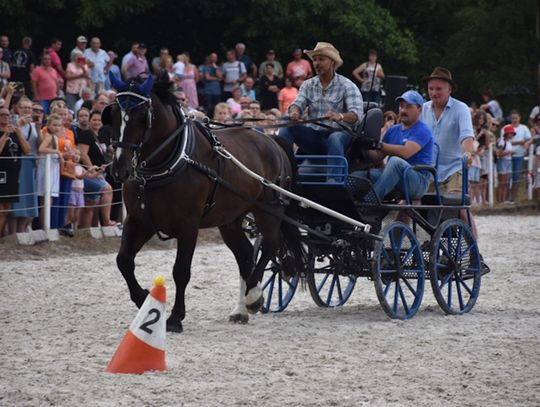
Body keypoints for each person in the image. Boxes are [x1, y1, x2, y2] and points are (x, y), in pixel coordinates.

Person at [278, 42, 363, 167]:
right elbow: (297, 103)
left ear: (332, 62)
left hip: (340, 135)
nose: (317, 63)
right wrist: (294, 112)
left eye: (321, 59)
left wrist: (340, 116)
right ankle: (285, 169)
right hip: (314, 137)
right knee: (287, 124)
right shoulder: (307, 85)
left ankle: (334, 180)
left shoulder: (348, 85)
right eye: (315, 60)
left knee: (335, 138)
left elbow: (356, 116)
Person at [420, 67, 479, 238]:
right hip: (428, 169)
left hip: (454, 169)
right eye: (431, 89)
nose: (434, 93)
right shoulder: (423, 109)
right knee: (410, 205)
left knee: (460, 207)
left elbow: (467, 137)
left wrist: (468, 153)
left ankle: (475, 251)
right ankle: (401, 246)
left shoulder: (461, 108)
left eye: (439, 89)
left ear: (449, 89)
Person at [352, 90, 433, 202]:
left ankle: (371, 202)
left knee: (395, 162)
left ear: (419, 109)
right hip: (393, 177)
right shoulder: (393, 130)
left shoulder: (423, 130)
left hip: (418, 181)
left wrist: (378, 145)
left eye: (408, 107)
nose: (403, 110)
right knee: (357, 177)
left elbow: (406, 152)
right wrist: (362, 145)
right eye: (401, 106)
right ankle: (345, 207)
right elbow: (377, 157)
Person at [76, 110, 117, 228]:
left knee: (91, 203)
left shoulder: (102, 136)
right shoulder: (86, 134)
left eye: (99, 120)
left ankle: (86, 230)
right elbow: (83, 154)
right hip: (89, 173)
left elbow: (110, 150)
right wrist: (92, 171)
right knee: (107, 189)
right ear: (89, 121)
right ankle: (107, 222)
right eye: (94, 120)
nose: (97, 122)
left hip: (100, 172)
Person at [8, 97, 40, 233]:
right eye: (24, 107)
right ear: (18, 109)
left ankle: (21, 232)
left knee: (27, 200)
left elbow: (39, 145)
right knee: (16, 201)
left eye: (29, 108)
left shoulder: (33, 126)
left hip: (30, 164)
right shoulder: (14, 122)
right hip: (17, 163)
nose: (27, 110)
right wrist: (19, 126)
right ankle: (12, 233)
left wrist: (39, 128)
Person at [0, 106, 30, 236]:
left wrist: (18, 133)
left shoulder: (15, 132)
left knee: (6, 208)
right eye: (2, 115)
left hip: (13, 173)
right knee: (1, 207)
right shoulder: (4, 133)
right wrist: (5, 134)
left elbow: (27, 150)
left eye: (8, 115)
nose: (6, 117)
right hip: (2, 172)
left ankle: (2, 234)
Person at [36, 113, 63, 228]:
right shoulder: (49, 136)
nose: (57, 127)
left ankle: (46, 225)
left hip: (52, 170)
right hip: (46, 171)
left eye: (59, 125)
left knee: (48, 202)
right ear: (49, 125)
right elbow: (41, 149)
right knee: (46, 202)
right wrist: (57, 152)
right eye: (54, 125)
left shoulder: (55, 137)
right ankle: (44, 227)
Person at [507, 110, 532, 203]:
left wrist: (526, 144)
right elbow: (503, 141)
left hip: (519, 155)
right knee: (507, 178)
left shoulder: (524, 128)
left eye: (516, 118)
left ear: (519, 118)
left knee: (516, 177)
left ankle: (513, 198)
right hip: (507, 157)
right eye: (513, 118)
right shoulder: (506, 127)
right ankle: (506, 198)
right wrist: (520, 142)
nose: (514, 120)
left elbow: (529, 139)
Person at [496, 125, 515, 203]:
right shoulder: (502, 142)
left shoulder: (509, 142)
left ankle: (503, 200)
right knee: (502, 182)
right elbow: (499, 154)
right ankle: (500, 200)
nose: (511, 134)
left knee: (506, 182)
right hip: (503, 161)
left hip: (508, 161)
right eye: (510, 133)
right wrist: (509, 152)